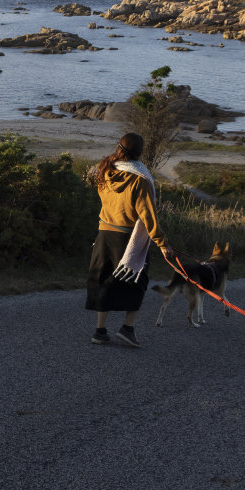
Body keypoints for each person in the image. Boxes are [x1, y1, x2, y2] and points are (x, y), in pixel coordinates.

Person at [84, 132, 178, 348]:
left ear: (119, 147)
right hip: (127, 237)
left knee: (105, 279)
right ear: (139, 152)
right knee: (137, 280)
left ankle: (100, 330)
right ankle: (127, 328)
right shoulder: (140, 179)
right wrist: (163, 244)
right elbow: (149, 217)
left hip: (104, 233)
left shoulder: (106, 170)